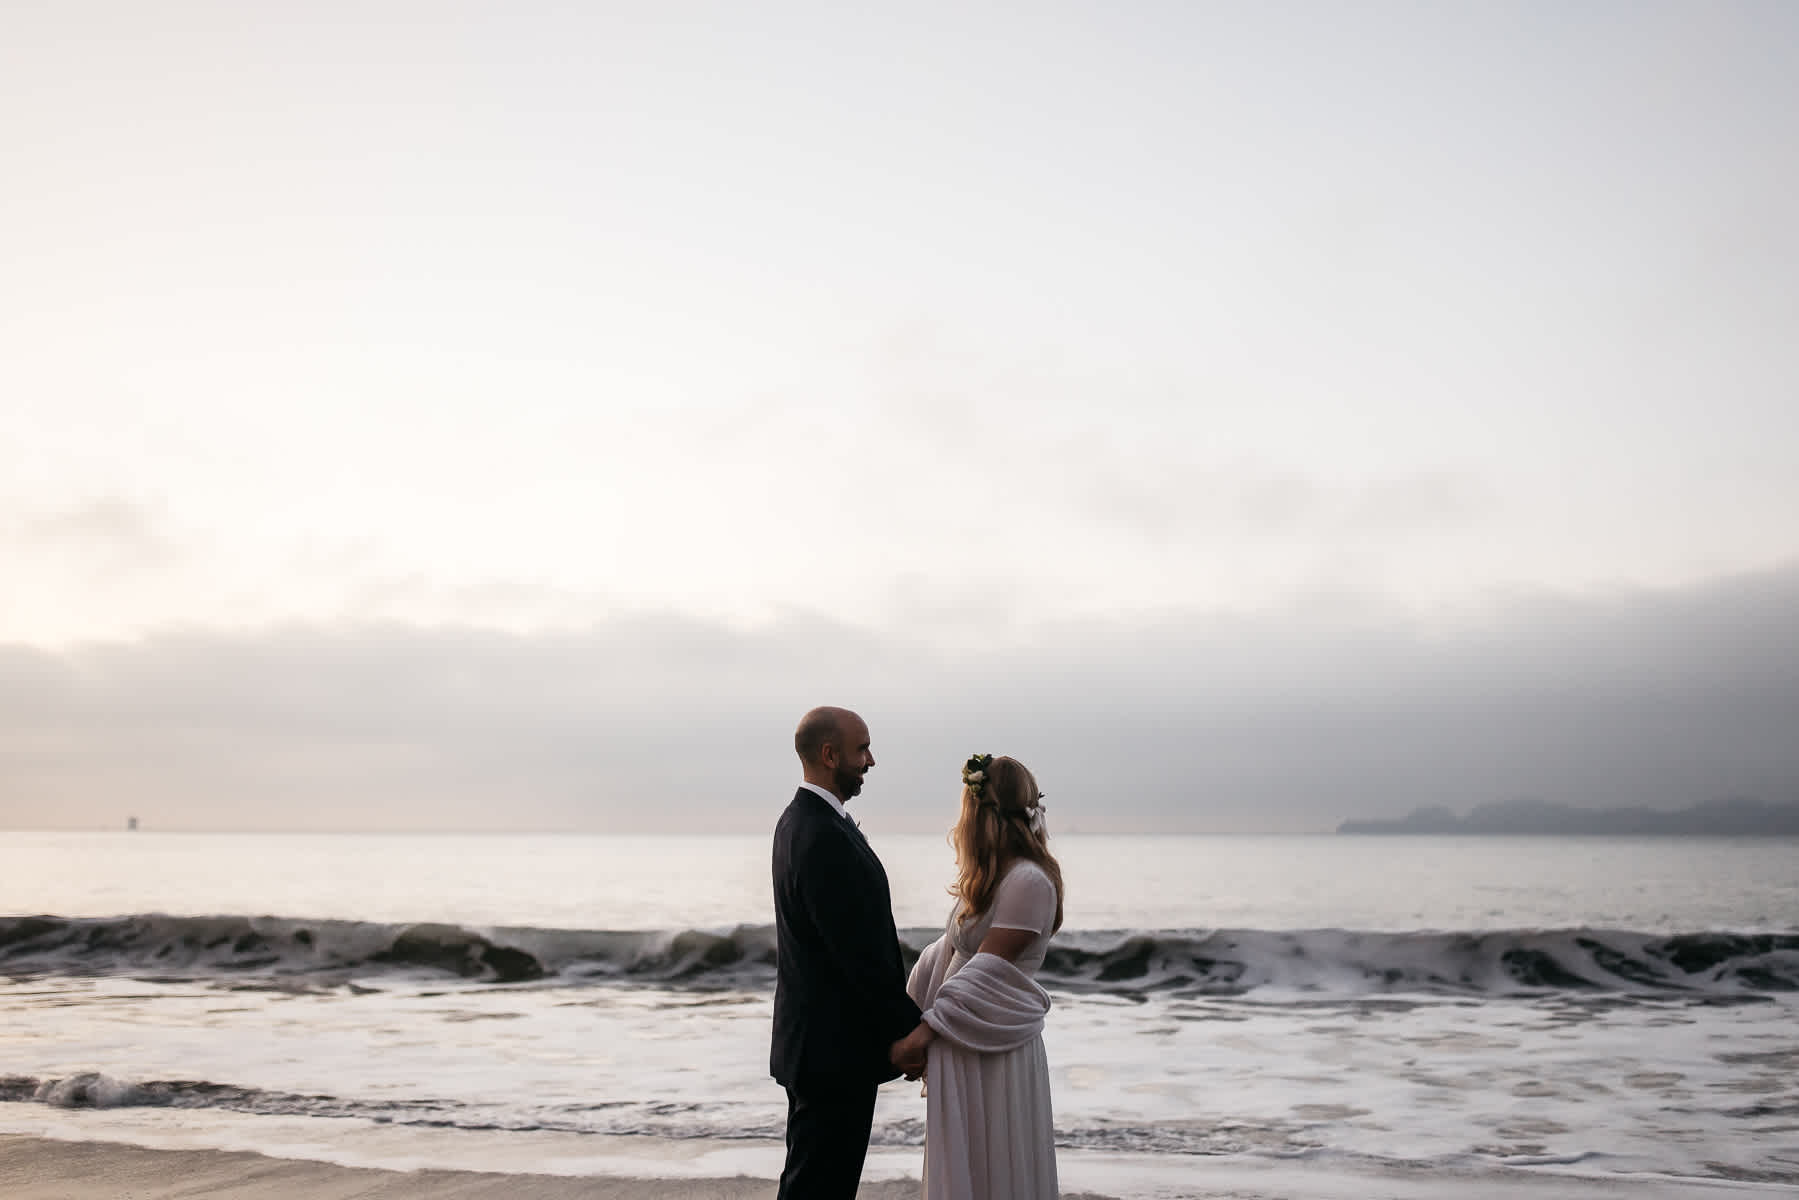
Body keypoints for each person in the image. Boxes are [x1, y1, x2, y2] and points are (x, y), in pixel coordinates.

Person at [770, 706, 926, 1199]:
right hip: (831, 1054)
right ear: (829, 754)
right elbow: (857, 953)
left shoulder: (801, 822)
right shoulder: (820, 835)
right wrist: (908, 1029)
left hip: (820, 1047)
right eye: (861, 749)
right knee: (819, 1188)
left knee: (815, 1183)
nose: (871, 760)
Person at [895, 753, 1065, 1200]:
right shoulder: (991, 880)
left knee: (996, 1167)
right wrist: (904, 1014)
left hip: (993, 1044)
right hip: (960, 1037)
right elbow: (947, 952)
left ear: (980, 813)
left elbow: (988, 970)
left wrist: (921, 1035)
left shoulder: (1028, 881)